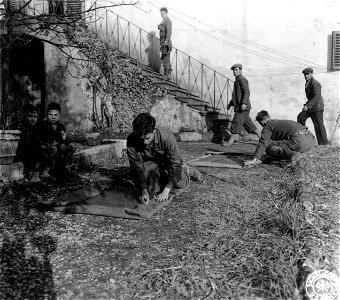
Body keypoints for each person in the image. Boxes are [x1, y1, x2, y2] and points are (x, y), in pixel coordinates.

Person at [127, 113, 202, 204]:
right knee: (151, 188)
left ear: (153, 131)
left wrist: (167, 190)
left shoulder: (166, 136)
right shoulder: (132, 139)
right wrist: (144, 190)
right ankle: (160, 177)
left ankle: (187, 170)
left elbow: (176, 163)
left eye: (147, 138)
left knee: (180, 184)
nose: (145, 142)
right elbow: (136, 166)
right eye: (141, 139)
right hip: (150, 163)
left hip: (167, 162)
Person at [244, 110, 315, 168]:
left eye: (260, 124)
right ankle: (287, 157)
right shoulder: (279, 122)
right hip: (311, 141)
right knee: (281, 143)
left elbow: (263, 142)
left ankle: (293, 155)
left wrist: (255, 159)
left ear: (263, 122)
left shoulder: (268, 126)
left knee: (269, 146)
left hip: (300, 142)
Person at [224, 63, 260, 147]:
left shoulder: (242, 79)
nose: (234, 72)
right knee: (249, 125)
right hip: (241, 107)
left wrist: (244, 103)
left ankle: (229, 142)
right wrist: (230, 104)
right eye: (233, 70)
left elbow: (247, 92)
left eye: (236, 70)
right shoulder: (237, 80)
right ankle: (263, 138)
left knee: (236, 123)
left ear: (240, 70)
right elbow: (237, 96)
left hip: (242, 107)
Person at [40, 102, 75, 180]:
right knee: (54, 148)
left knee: (72, 147)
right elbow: (42, 139)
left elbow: (63, 140)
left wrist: (64, 140)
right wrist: (51, 143)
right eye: (50, 115)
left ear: (59, 115)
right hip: (48, 147)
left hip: (58, 147)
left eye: (55, 115)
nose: (53, 117)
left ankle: (62, 164)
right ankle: (46, 171)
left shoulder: (60, 126)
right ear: (47, 114)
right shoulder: (43, 125)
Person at [297, 67, 328, 145]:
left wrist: (307, 106)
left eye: (307, 74)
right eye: (304, 74)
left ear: (312, 74)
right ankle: (304, 139)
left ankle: (323, 144)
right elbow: (311, 97)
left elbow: (316, 97)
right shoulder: (308, 82)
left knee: (318, 126)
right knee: (301, 117)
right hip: (311, 107)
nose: (306, 76)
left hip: (317, 107)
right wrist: (307, 105)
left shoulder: (315, 83)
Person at [17, 105, 42, 182]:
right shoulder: (22, 127)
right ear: (24, 116)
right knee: (37, 152)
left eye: (35, 117)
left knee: (42, 151)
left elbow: (37, 141)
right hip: (22, 152)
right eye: (30, 116)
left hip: (31, 151)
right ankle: (32, 175)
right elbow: (23, 144)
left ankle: (36, 175)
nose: (33, 119)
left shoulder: (36, 128)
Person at [158, 7, 172, 80]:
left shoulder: (167, 21)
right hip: (163, 44)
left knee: (166, 59)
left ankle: (166, 76)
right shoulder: (163, 21)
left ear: (166, 13)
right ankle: (167, 75)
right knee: (165, 59)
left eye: (163, 13)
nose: (161, 14)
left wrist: (166, 41)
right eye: (161, 13)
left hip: (166, 44)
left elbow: (169, 32)